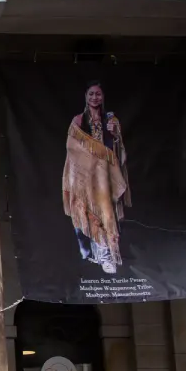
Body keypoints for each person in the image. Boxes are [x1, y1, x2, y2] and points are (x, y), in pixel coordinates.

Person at [64, 80, 130, 274]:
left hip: (106, 175)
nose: (95, 97)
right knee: (90, 211)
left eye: (98, 94)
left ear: (103, 97)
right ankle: (99, 255)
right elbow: (71, 146)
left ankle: (109, 254)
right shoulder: (78, 120)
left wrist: (114, 135)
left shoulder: (111, 119)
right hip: (86, 175)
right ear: (86, 96)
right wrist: (93, 153)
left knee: (106, 211)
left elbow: (118, 149)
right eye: (91, 93)